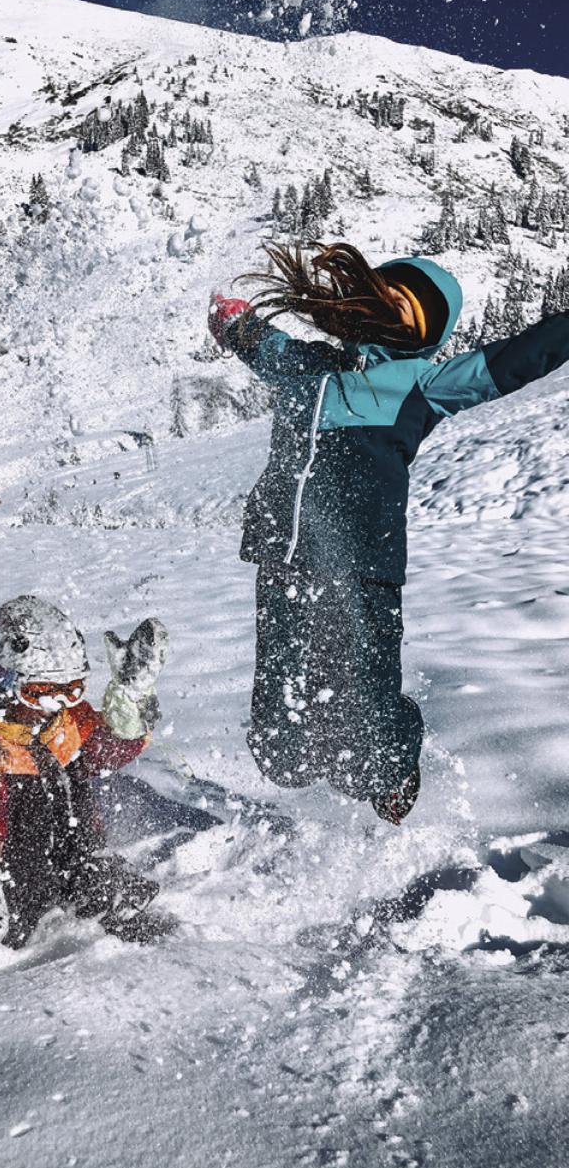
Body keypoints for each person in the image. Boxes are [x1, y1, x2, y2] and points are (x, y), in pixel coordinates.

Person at [209, 241, 569, 824]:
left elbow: (516, 359)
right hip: (286, 564)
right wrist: (228, 318)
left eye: (404, 304)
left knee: (369, 733)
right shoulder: (308, 365)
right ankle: (312, 759)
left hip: (362, 569)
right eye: (387, 292)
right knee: (280, 748)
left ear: (423, 332)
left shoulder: (421, 384)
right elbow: (254, 339)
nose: (385, 304)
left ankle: (395, 758)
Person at [0, 596, 170, 945]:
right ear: (3, 686)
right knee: (29, 914)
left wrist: (130, 700)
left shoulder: (64, 724)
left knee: (103, 880)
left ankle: (109, 909)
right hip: (15, 879)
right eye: (41, 691)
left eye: (71, 690)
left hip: (78, 861)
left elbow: (108, 752)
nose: (56, 705)